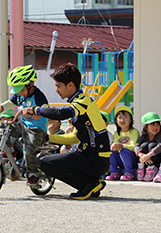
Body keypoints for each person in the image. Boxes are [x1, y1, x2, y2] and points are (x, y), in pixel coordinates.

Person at [23, 62, 111, 200]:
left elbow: (62, 113)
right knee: (46, 160)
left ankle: (89, 184)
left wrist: (36, 109)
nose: (56, 90)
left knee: (45, 162)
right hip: (90, 158)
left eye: (58, 86)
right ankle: (91, 184)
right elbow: (74, 138)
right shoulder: (78, 104)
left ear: (70, 85)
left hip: (96, 159)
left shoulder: (83, 101)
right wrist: (47, 138)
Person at [0, 65, 48, 186]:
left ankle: (33, 174)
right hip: (23, 125)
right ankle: (10, 155)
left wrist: (34, 112)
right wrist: (0, 108)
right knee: (3, 127)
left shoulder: (38, 95)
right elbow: (10, 102)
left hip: (36, 128)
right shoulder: (20, 94)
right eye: (17, 90)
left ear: (31, 84)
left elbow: (45, 108)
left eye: (22, 90)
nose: (20, 93)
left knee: (29, 149)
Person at [105, 106, 140, 181]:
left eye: (125, 117)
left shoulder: (134, 132)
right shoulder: (117, 133)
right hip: (121, 160)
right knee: (110, 151)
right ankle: (114, 172)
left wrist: (122, 146)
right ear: (116, 121)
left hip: (132, 160)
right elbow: (114, 144)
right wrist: (113, 146)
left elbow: (133, 147)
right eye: (120, 117)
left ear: (131, 120)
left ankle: (130, 173)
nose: (122, 120)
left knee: (123, 150)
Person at [134, 112, 161, 182]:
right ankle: (142, 167)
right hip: (145, 160)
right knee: (143, 145)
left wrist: (148, 155)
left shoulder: (160, 135)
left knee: (151, 145)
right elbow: (136, 146)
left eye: (157, 125)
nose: (155, 127)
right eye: (152, 125)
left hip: (156, 160)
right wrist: (141, 155)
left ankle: (152, 168)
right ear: (145, 127)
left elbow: (160, 146)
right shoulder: (144, 136)